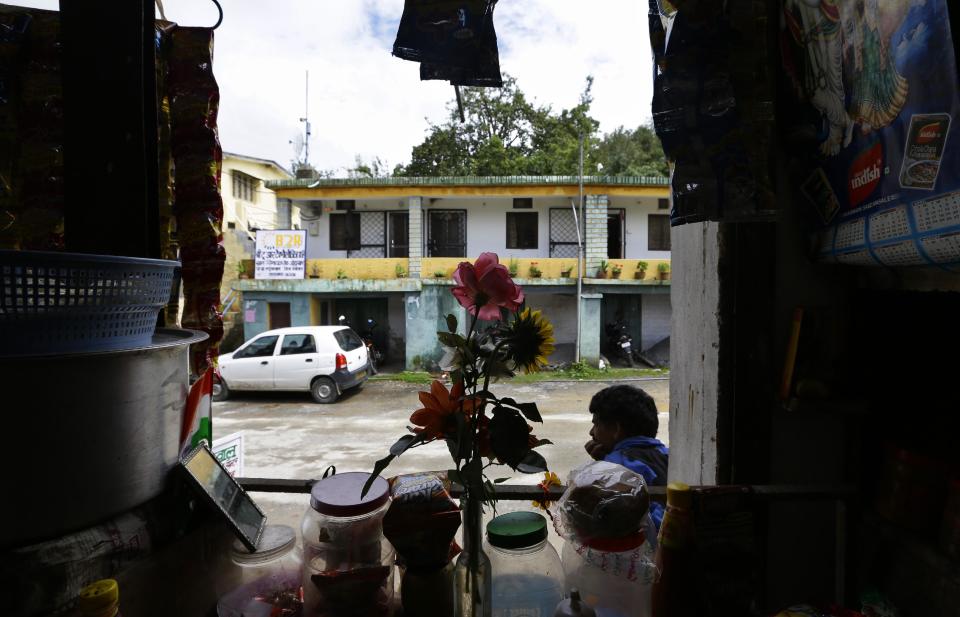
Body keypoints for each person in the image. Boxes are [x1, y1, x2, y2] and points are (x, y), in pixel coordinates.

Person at [584, 384, 669, 528]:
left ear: (616, 429)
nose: (591, 432)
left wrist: (604, 465)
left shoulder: (615, 467)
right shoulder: (669, 454)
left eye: (596, 424)